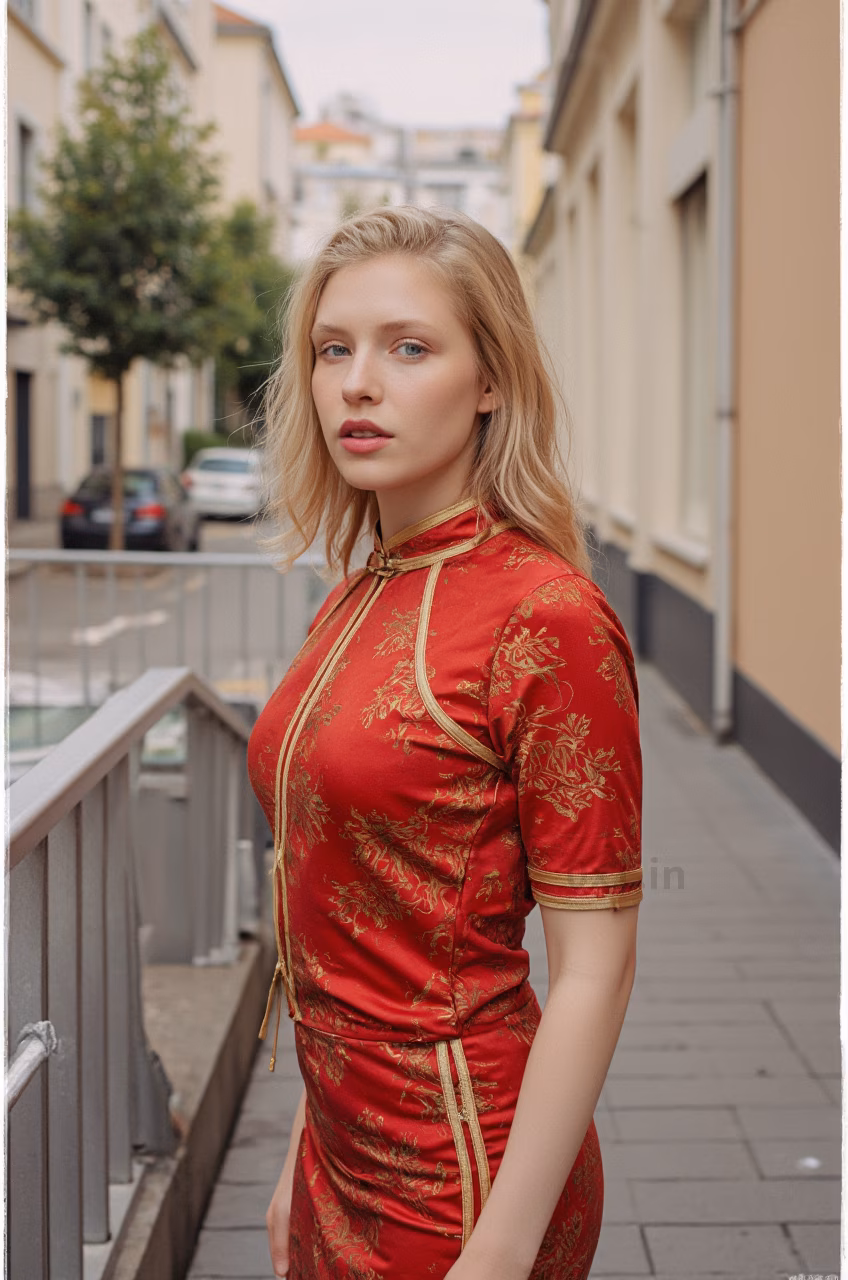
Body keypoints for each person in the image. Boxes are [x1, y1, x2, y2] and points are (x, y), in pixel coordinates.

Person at [247, 205, 642, 1280]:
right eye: (333, 349)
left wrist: (501, 1251)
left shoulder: (547, 618)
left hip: (462, 1177)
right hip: (338, 1151)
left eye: (408, 348)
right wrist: (297, 1156)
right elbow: (344, 912)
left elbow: (597, 969)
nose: (357, 384)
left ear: (490, 379)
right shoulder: (355, 592)